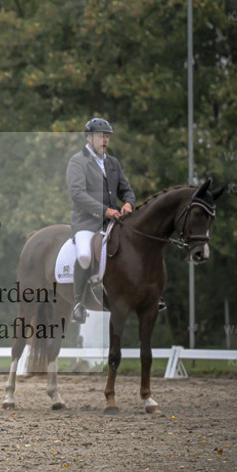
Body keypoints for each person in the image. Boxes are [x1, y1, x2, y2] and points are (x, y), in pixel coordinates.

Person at [65, 117, 134, 323]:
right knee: (85, 255)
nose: (104, 140)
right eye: (100, 136)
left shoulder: (112, 163)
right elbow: (77, 194)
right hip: (86, 222)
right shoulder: (78, 161)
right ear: (89, 138)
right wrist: (105, 211)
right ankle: (78, 303)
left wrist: (129, 203)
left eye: (107, 136)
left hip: (112, 223)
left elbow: (126, 189)